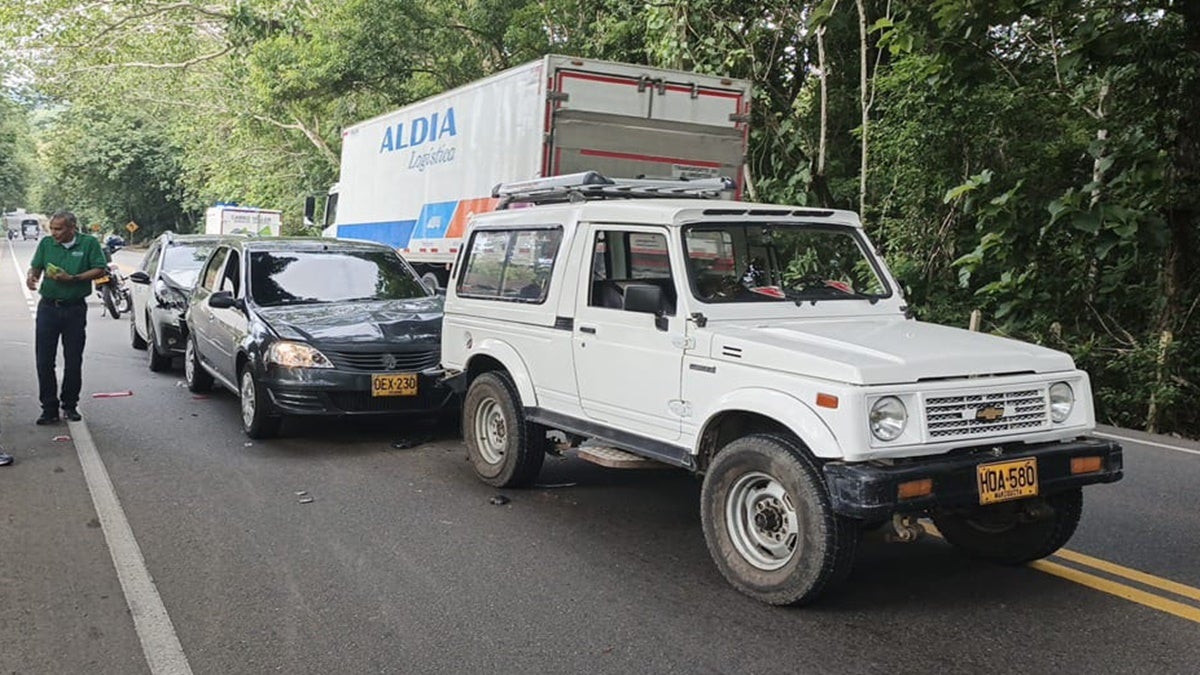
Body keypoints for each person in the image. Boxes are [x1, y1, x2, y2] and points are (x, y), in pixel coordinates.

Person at [25, 211, 108, 424]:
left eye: (59, 229)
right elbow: (36, 265)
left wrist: (73, 279)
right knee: (44, 360)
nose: (54, 233)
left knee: (73, 359)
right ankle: (49, 408)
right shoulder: (46, 244)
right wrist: (32, 276)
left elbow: (100, 269)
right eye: (52, 228)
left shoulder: (88, 243)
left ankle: (69, 405)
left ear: (73, 228)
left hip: (74, 309)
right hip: (48, 308)